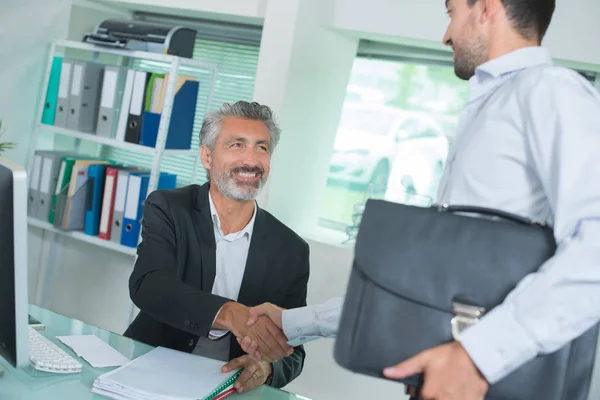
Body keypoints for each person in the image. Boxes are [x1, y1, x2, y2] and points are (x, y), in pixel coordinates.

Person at [240, 0, 600, 398]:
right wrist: (291, 324)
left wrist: (476, 356)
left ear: (486, 9)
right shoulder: (489, 109)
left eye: (452, 12)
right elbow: (430, 283)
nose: (446, 35)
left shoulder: (551, 92)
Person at [123, 101, 311, 393]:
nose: (251, 160)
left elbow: (293, 351)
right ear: (207, 156)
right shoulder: (169, 208)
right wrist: (229, 313)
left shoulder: (291, 249)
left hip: (229, 388)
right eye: (237, 145)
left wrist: (267, 367)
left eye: (261, 148)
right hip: (150, 371)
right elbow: (148, 284)